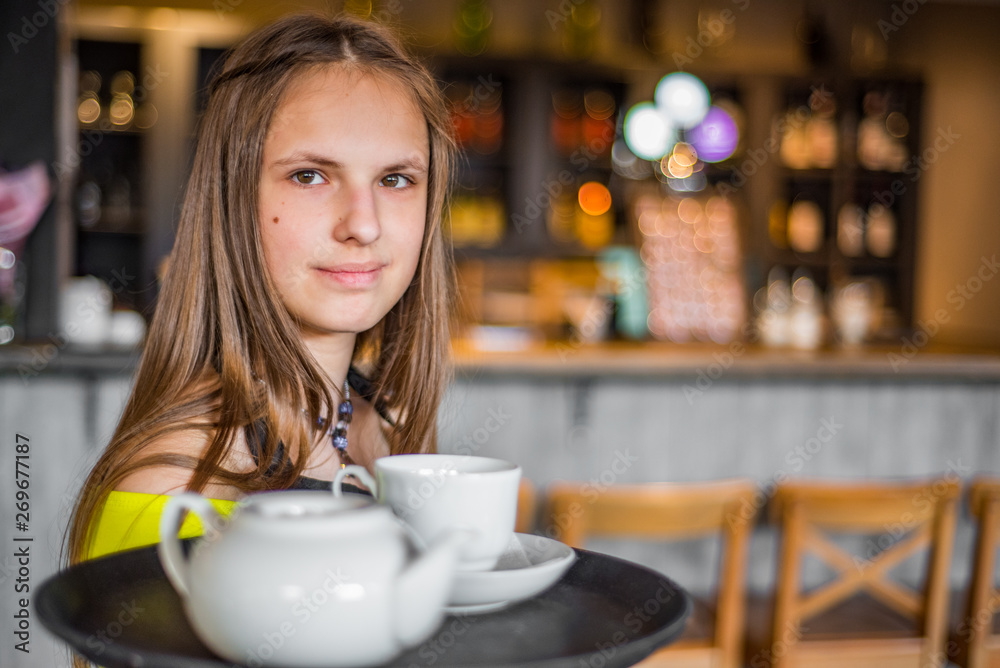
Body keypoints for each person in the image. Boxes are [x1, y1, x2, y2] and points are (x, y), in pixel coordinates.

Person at [66, 12, 456, 566]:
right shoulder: (173, 484)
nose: (363, 225)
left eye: (396, 179)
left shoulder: (381, 426)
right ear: (233, 200)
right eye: (310, 175)